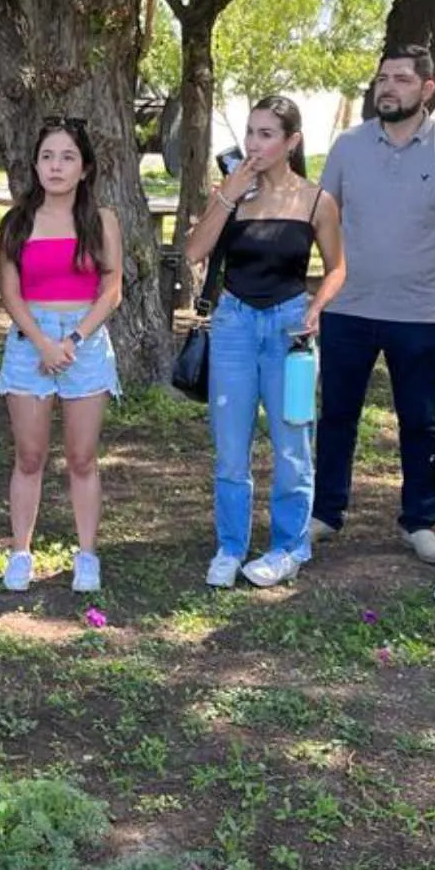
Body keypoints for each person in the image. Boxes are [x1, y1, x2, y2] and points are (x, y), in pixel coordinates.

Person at [312, 45, 435, 565]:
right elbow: (326, 218)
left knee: (419, 421)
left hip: (421, 312)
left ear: (428, 89)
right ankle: (325, 511)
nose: (388, 87)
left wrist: (418, 266)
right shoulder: (347, 147)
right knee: (337, 415)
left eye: (402, 79)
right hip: (348, 307)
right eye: (382, 78)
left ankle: (419, 520)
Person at [185, 97, 346, 589]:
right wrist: (228, 196)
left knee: (292, 444)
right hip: (233, 324)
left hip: (290, 329)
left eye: (267, 134)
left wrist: (317, 307)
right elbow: (193, 250)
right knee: (230, 446)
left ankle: (288, 545)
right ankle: (230, 546)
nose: (254, 143)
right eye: (251, 132)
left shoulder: (317, 200)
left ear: (291, 142)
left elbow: (338, 266)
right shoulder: (233, 193)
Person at [0, 118, 123, 592]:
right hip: (30, 341)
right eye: (48, 156)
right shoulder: (18, 222)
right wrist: (44, 342)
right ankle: (20, 551)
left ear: (85, 168)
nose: (56, 166)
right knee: (29, 456)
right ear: (35, 164)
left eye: (68, 157)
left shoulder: (102, 220)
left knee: (82, 457)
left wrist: (72, 341)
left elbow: (112, 291)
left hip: (84, 343)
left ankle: (87, 554)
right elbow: (10, 294)